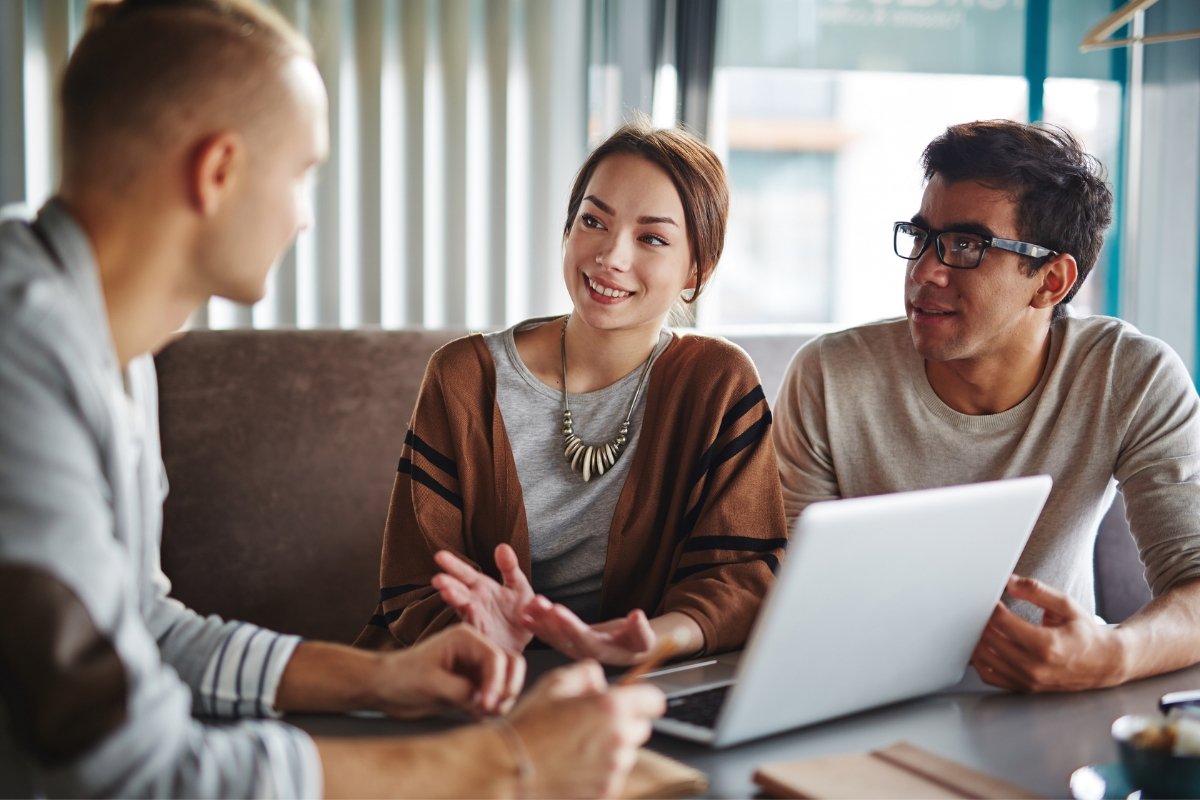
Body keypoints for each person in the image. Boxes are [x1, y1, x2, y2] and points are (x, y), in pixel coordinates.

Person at [0, 1, 664, 797]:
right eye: (301, 173)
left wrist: (379, 680)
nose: (306, 218)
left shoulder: (102, 339)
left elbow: (142, 630)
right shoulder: (22, 356)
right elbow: (130, 770)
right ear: (217, 172)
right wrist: (505, 761)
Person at [772, 119, 1200, 693]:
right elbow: (790, 591)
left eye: (967, 246)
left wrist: (1113, 654)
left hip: (1052, 704)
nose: (925, 271)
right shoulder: (829, 375)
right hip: (860, 697)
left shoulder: (1130, 376)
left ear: (1050, 281)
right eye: (921, 237)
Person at [356, 121, 788, 666]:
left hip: (639, 685)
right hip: (467, 681)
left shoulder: (718, 381)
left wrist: (649, 641)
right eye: (593, 221)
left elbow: (744, 577)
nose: (611, 256)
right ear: (568, 229)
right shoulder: (464, 377)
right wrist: (496, 645)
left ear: (697, 269)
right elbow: (415, 581)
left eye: (651, 238)